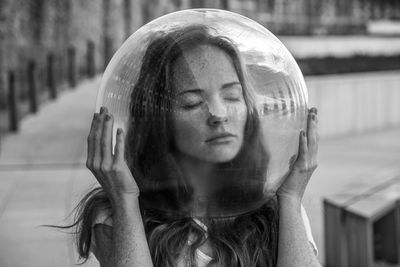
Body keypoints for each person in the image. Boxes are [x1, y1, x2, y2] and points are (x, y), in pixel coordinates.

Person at [74, 25, 320, 266]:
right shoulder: (114, 215)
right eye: (192, 103)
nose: (219, 113)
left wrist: (290, 198)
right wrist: (125, 199)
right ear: (159, 121)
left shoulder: (278, 210)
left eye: (232, 96)